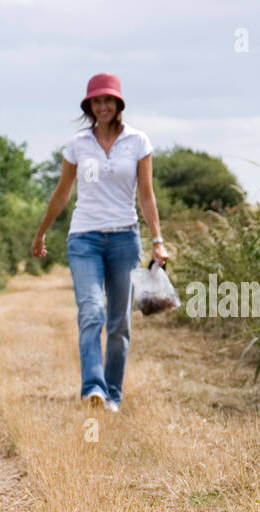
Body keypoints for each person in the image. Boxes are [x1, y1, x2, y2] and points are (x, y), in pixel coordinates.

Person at [32, 73, 170, 413]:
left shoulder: (138, 142)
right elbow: (62, 193)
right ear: (89, 106)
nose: (103, 106)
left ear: (119, 103)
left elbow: (146, 196)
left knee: (119, 321)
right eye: (96, 101)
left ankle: (113, 395)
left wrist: (157, 240)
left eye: (108, 100)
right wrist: (41, 232)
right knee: (91, 310)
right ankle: (92, 389)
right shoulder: (77, 145)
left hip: (125, 238)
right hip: (84, 239)